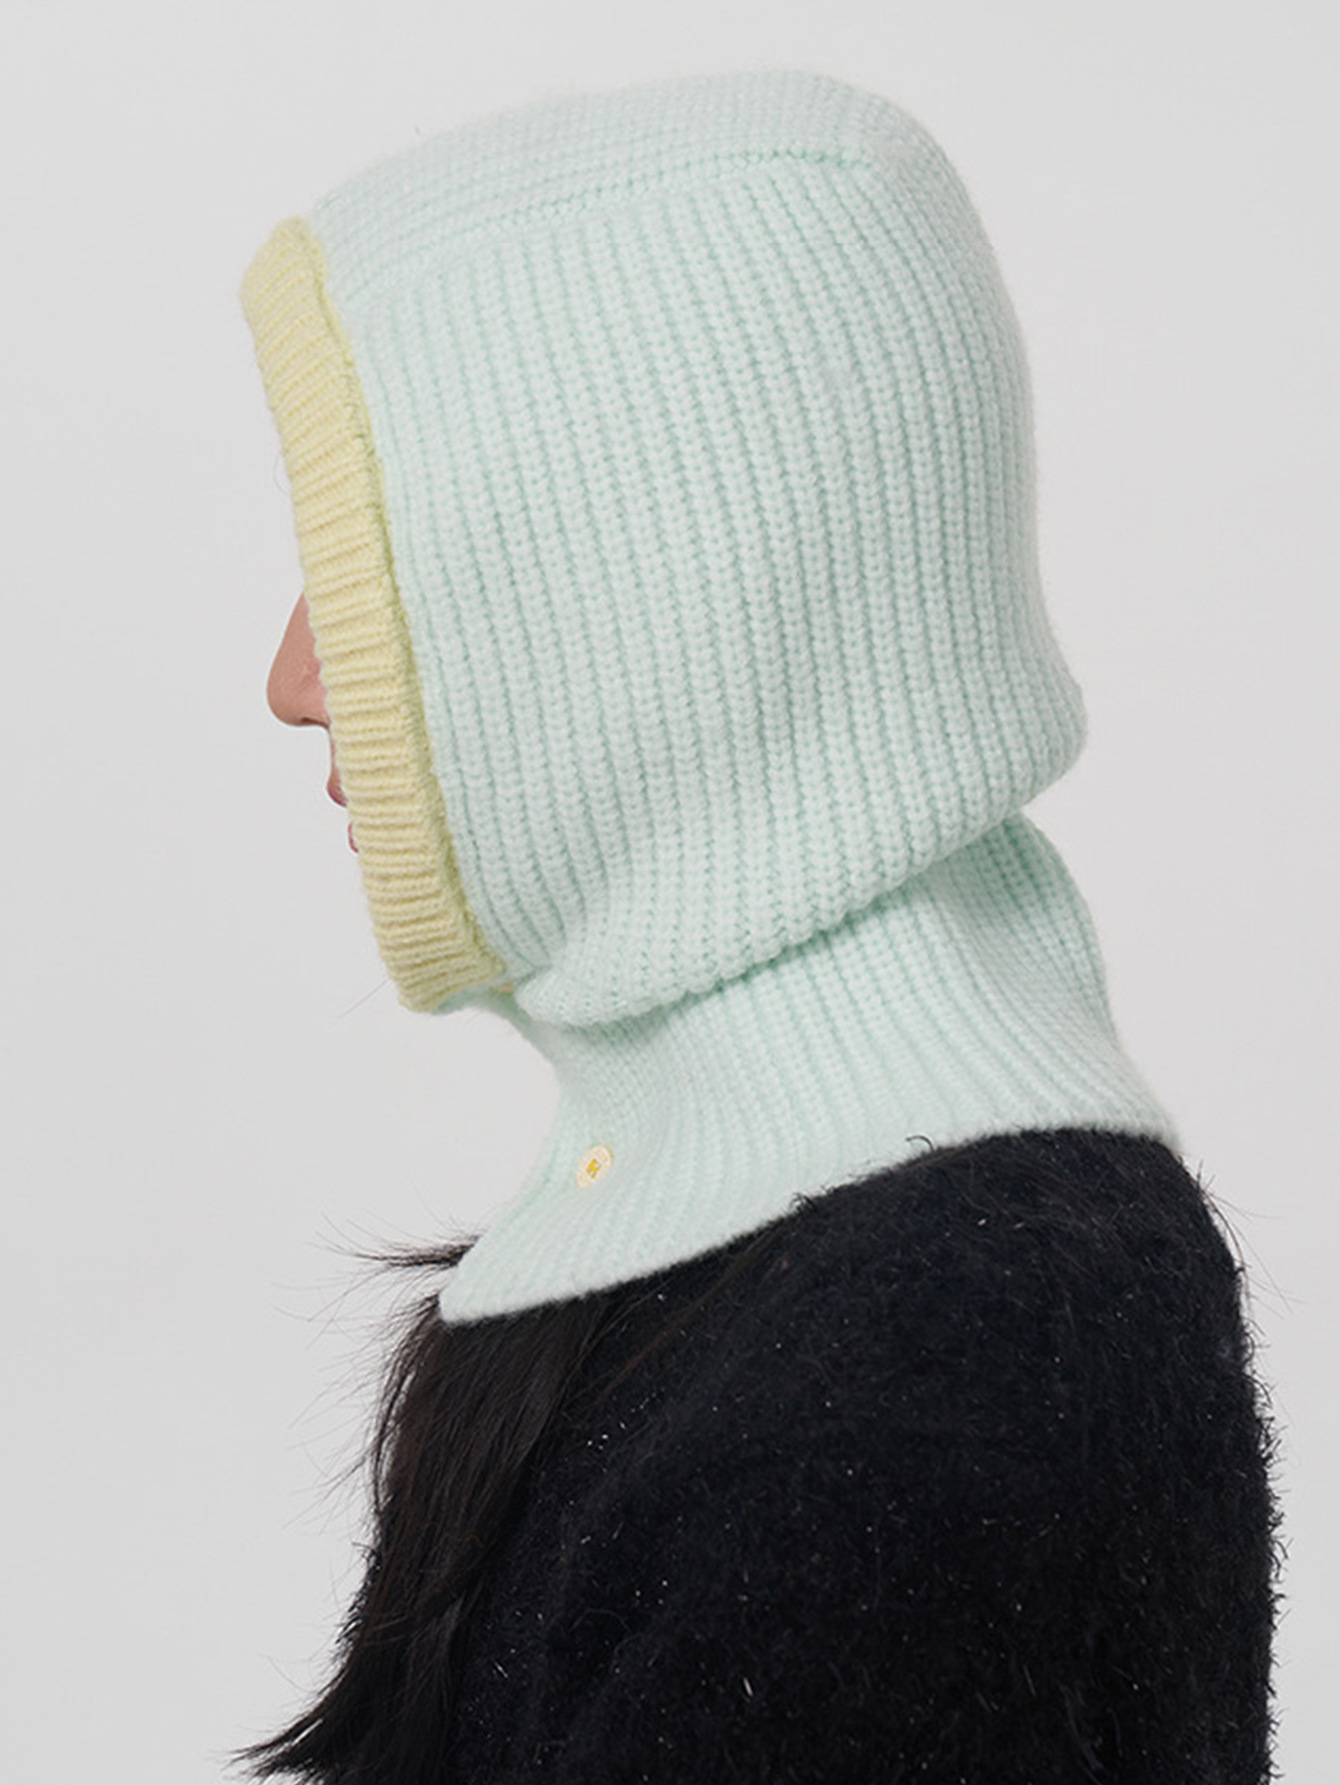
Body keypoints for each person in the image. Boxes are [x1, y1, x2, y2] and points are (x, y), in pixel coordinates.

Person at [242, 70, 1276, 1783]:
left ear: (642, 608)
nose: (292, 678)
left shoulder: (931, 1366)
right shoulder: (823, 1276)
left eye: (370, 564)